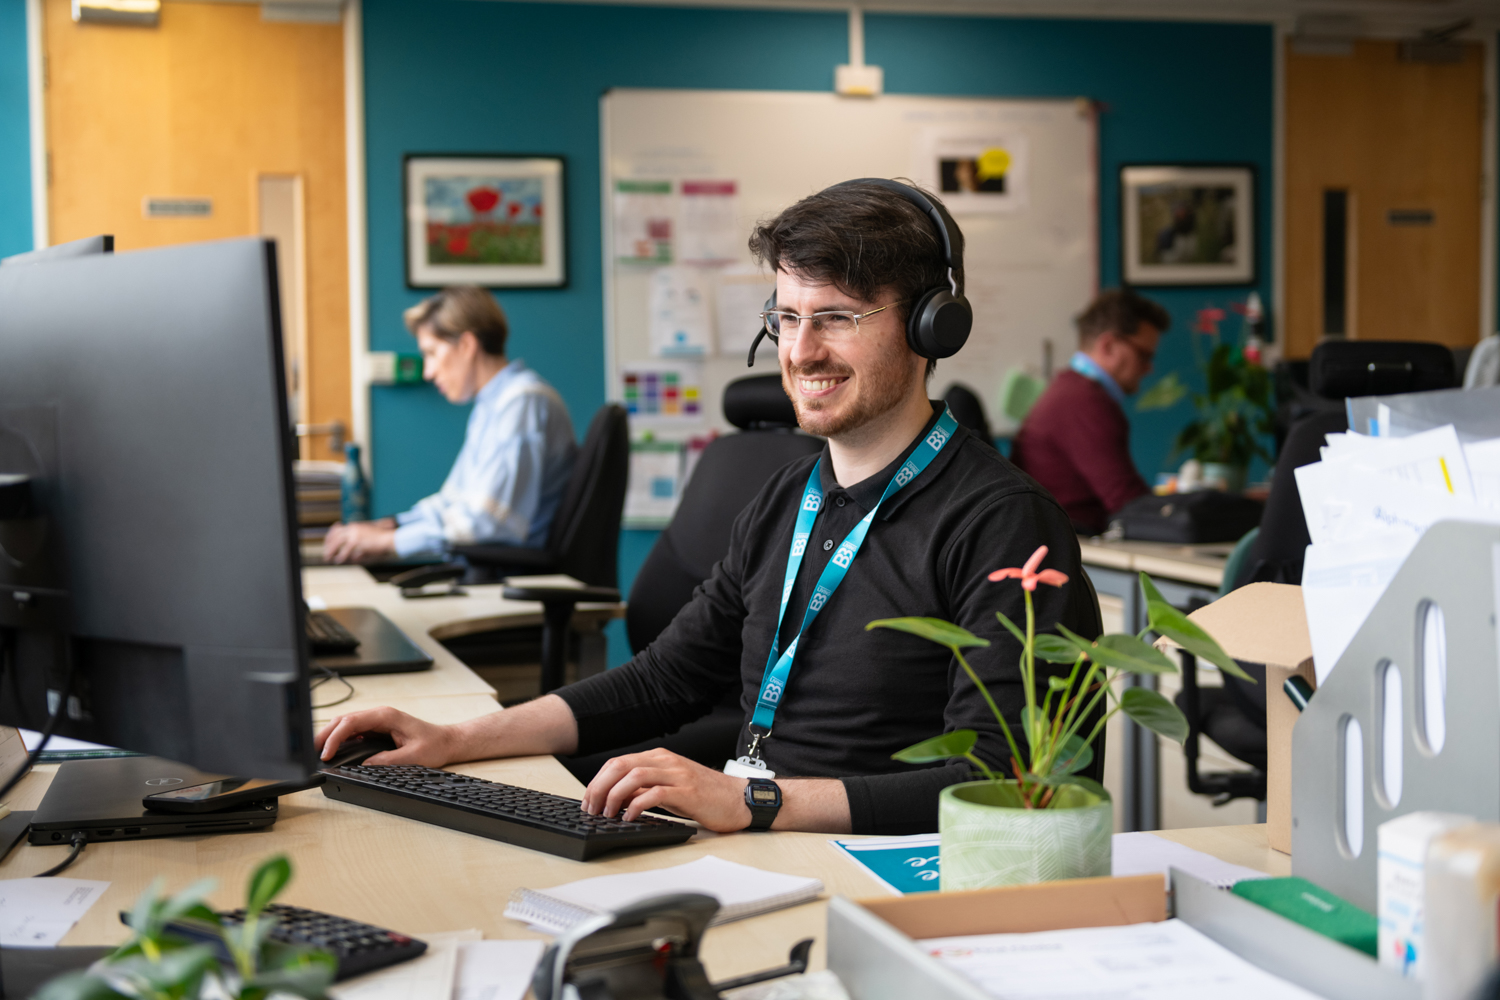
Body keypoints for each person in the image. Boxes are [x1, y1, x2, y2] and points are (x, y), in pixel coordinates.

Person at [316, 180, 1099, 836]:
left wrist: (751, 799)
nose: (800, 352)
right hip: (767, 843)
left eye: (837, 318)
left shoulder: (1002, 522)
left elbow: (1010, 782)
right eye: (787, 318)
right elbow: (666, 678)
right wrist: (454, 739)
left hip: (877, 869)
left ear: (934, 326)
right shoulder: (785, 498)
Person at [322, 286, 577, 564]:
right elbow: (455, 500)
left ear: (466, 345)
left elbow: (487, 521)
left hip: (507, 576)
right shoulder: (492, 404)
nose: (428, 371)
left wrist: (389, 542)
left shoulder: (521, 403)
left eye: (431, 353)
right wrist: (392, 525)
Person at [1010, 289, 1170, 536]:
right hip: (1071, 550)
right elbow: (1127, 503)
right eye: (1143, 355)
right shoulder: (1084, 401)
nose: (1148, 368)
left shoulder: (1070, 389)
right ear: (1108, 345)